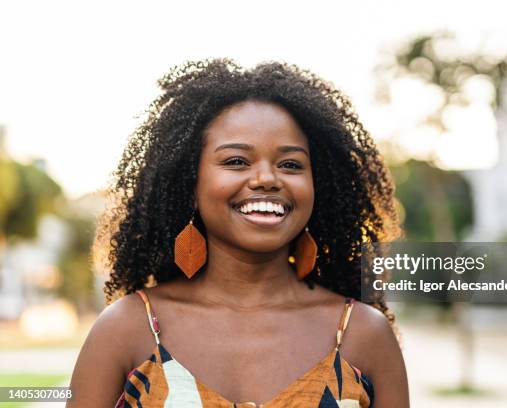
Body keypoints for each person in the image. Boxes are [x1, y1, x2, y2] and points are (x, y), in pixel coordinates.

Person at [67, 59, 410, 407]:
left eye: (290, 164)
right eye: (236, 161)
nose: (267, 179)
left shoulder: (363, 334)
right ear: (189, 184)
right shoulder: (127, 329)